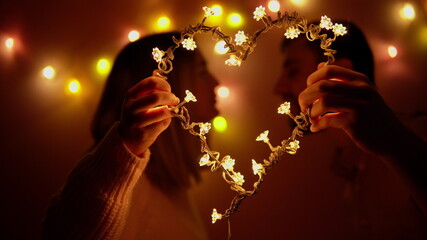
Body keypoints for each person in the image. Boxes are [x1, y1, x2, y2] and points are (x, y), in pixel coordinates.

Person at [42, 32, 219, 239]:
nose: (215, 82)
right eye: (200, 70)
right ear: (165, 83)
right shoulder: (116, 181)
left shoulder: (171, 188)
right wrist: (126, 146)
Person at [275, 21, 427, 238]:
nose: (277, 88)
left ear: (336, 74)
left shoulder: (419, 134)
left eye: (292, 71)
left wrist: (395, 144)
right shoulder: (349, 172)